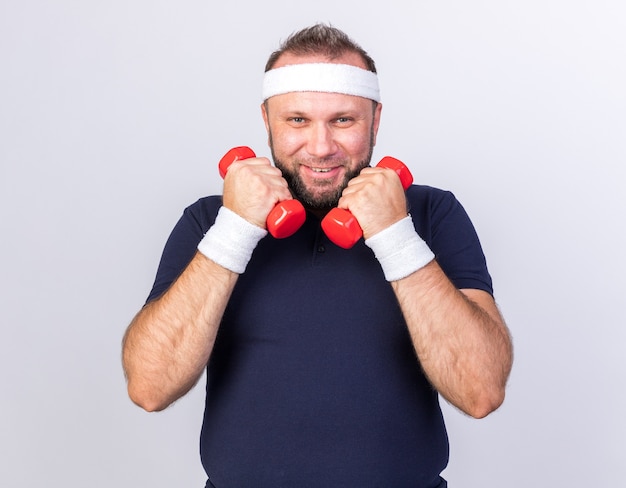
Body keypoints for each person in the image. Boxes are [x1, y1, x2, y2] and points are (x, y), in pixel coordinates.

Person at [122, 23, 513, 488]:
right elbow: (149, 387)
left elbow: (481, 391)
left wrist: (397, 237)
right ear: (267, 121)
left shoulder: (431, 213)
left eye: (343, 120)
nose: (321, 147)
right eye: (297, 120)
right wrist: (233, 232)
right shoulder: (211, 221)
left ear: (376, 120)